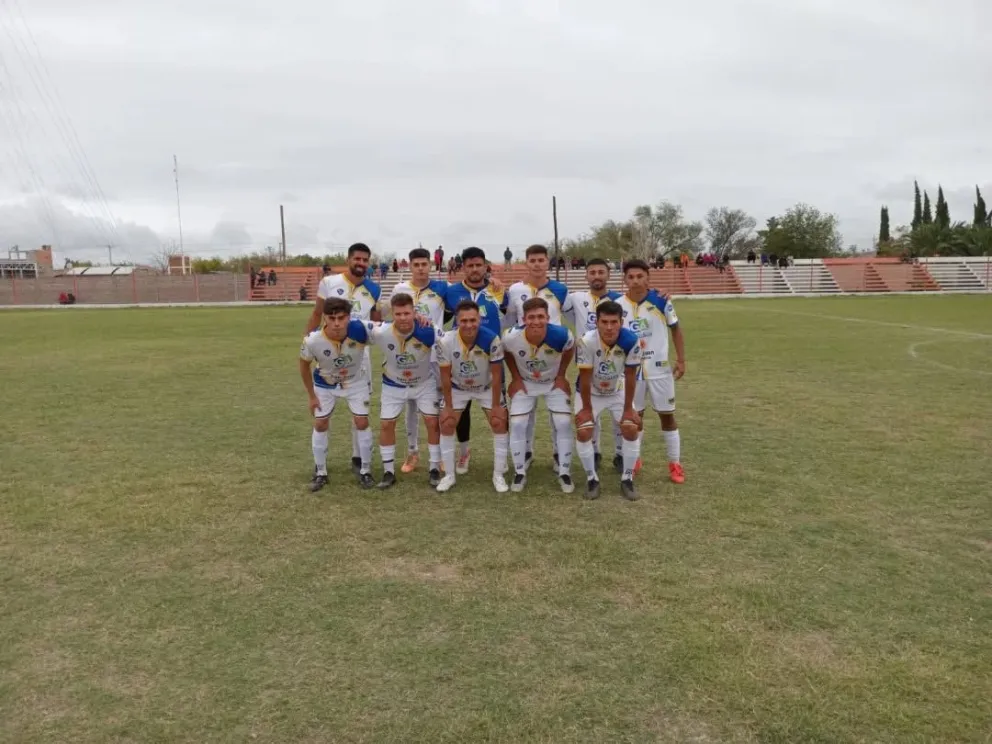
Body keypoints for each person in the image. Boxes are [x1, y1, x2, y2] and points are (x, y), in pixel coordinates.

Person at [308, 243, 382, 475]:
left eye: (365, 260)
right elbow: (318, 313)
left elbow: (377, 323)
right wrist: (307, 341)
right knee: (323, 415)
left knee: (359, 411)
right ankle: (320, 467)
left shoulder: (374, 289)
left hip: (360, 356)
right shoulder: (329, 283)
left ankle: (358, 456)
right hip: (330, 354)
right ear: (348, 259)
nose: (361, 263)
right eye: (357, 259)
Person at [502, 244, 573, 469]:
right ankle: (526, 451)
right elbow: (510, 322)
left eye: (541, 260)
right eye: (532, 260)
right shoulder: (514, 290)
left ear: (547, 262)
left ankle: (557, 453)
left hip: (552, 355)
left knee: (558, 412)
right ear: (526, 262)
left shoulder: (560, 289)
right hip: (525, 354)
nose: (537, 264)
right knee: (525, 408)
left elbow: (576, 315)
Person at [617, 259, 687, 484]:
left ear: (648, 277)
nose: (635, 281)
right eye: (631, 277)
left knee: (667, 417)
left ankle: (675, 463)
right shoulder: (618, 304)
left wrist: (681, 359)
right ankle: (634, 459)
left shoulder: (661, 301)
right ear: (625, 279)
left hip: (660, 370)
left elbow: (676, 330)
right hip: (630, 372)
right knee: (635, 417)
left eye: (640, 276)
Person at [299, 297, 376, 492]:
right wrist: (311, 396)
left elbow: (391, 329)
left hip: (356, 381)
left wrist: (416, 319)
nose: (336, 323)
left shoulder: (361, 330)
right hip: (325, 384)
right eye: (331, 318)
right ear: (324, 317)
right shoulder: (312, 340)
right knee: (320, 423)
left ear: (349, 318)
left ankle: (366, 471)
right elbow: (303, 366)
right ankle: (321, 472)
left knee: (361, 422)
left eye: (341, 318)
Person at [367, 293, 443, 488]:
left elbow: (451, 341)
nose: (403, 318)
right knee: (386, 425)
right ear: (392, 313)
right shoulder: (380, 332)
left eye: (407, 313)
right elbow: (353, 325)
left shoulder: (429, 330)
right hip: (393, 384)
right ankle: (388, 471)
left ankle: (434, 468)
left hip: (424, 383)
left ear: (414, 312)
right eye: (398, 313)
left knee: (432, 422)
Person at [443, 247, 507, 475]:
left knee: (498, 409)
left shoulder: (498, 290)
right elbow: (440, 318)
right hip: (461, 358)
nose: (474, 269)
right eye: (469, 265)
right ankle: (464, 452)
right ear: (463, 268)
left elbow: (509, 314)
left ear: (485, 266)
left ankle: (503, 456)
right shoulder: (451, 292)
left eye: (478, 265)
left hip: (492, 358)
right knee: (463, 408)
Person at [435, 300, 509, 493]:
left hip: (485, 386)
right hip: (458, 387)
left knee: (500, 422)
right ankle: (449, 476)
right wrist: (449, 407)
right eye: (464, 320)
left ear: (479, 319)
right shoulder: (445, 342)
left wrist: (495, 406)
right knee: (447, 422)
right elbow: (444, 376)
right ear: (457, 321)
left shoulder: (492, 339)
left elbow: (497, 374)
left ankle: (498, 474)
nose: (468, 325)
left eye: (473, 320)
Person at [502, 297, 575, 493]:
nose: (536, 321)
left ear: (548, 317)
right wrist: (515, 378)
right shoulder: (510, 337)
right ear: (523, 319)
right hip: (526, 383)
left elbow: (569, 349)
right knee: (517, 423)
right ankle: (520, 469)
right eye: (531, 317)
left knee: (563, 422)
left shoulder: (561, 335)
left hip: (552, 382)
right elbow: (507, 352)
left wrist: (561, 376)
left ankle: (564, 469)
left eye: (540, 317)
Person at [574, 300, 642, 501]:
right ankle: (592, 479)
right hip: (590, 392)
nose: (609, 327)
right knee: (584, 430)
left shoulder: (631, 340)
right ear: (597, 322)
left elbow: (631, 376)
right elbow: (584, 378)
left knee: (630, 427)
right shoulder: (586, 341)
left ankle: (627, 478)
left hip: (617, 390)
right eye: (605, 322)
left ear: (621, 321)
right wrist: (586, 409)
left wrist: (629, 408)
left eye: (614, 322)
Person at [390, 247, 450, 474]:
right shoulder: (399, 288)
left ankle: (442, 454)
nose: (421, 268)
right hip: (410, 357)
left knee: (439, 408)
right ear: (410, 266)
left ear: (430, 265)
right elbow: (394, 317)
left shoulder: (442, 289)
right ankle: (413, 452)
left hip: (435, 357)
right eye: (416, 265)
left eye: (424, 264)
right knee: (411, 406)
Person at [565, 257, 622, 471]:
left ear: (608, 274)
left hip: (616, 365)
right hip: (587, 364)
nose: (596, 276)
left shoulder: (621, 300)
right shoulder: (576, 298)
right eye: (592, 272)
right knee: (591, 413)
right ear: (586, 275)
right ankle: (595, 452)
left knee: (620, 415)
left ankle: (620, 454)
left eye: (601, 272)